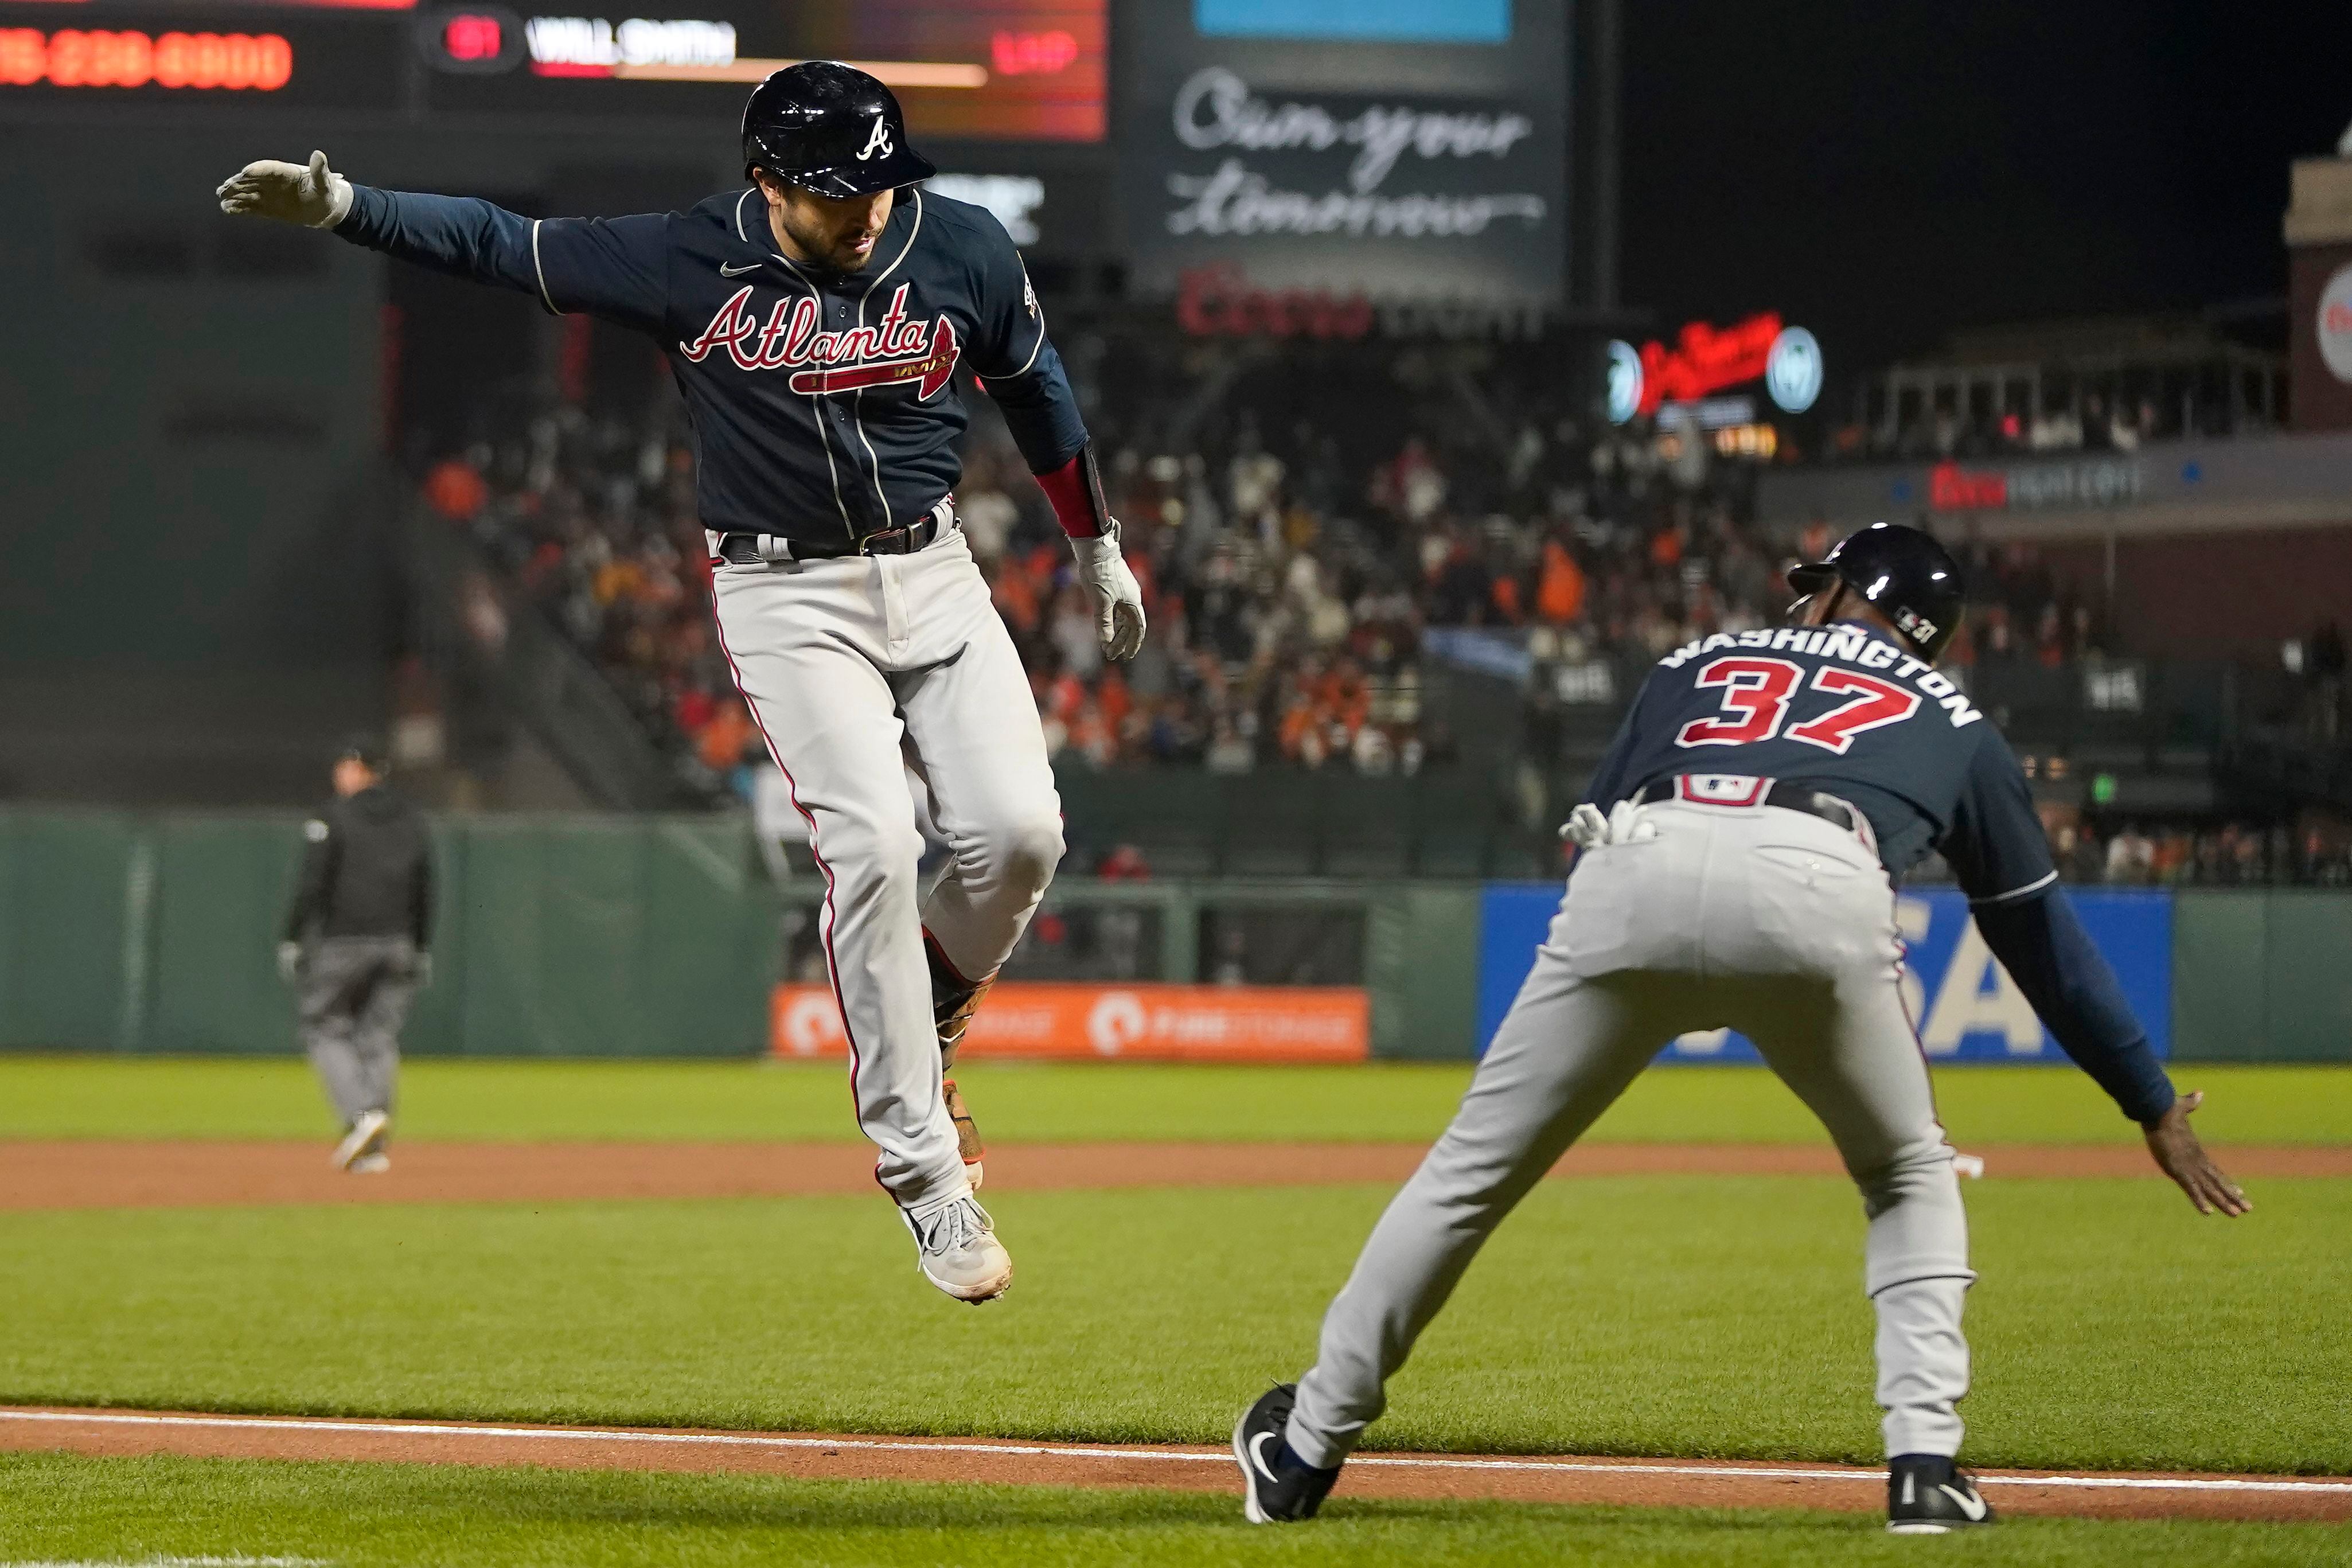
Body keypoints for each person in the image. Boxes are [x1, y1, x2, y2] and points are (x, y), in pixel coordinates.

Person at [220, 62, 1145, 1303]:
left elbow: (1038, 392)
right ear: (767, 181)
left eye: (879, 181)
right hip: (785, 592)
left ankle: (925, 1004)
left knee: (1022, 835)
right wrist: (351, 210)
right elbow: (503, 243)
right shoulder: (685, 257)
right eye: (835, 191)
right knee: (870, 841)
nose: (867, 209)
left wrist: (1096, 545)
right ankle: (924, 1172)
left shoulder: (960, 246)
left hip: (933, 570)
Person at [1232, 523, 2249, 1534]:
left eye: (1827, 586)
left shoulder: (1697, 658)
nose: (1807, 600)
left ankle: (1306, 1445)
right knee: (1905, 1169)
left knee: (1469, 1170)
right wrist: (2150, 1103)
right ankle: (1925, 1470)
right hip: (1821, 871)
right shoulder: (1958, 718)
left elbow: (1591, 817)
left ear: (1862, 599)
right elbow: (2039, 937)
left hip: (1642, 855)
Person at [279, 737, 434, 1174]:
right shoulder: (411, 818)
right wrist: (421, 944)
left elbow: (313, 883)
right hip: (399, 943)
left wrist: (292, 936)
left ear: (360, 770)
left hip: (343, 942)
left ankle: (361, 1117)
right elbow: (426, 886)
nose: (339, 775)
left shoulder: (334, 816)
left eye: (345, 766)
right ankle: (374, 1139)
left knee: (324, 1026)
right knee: (378, 1035)